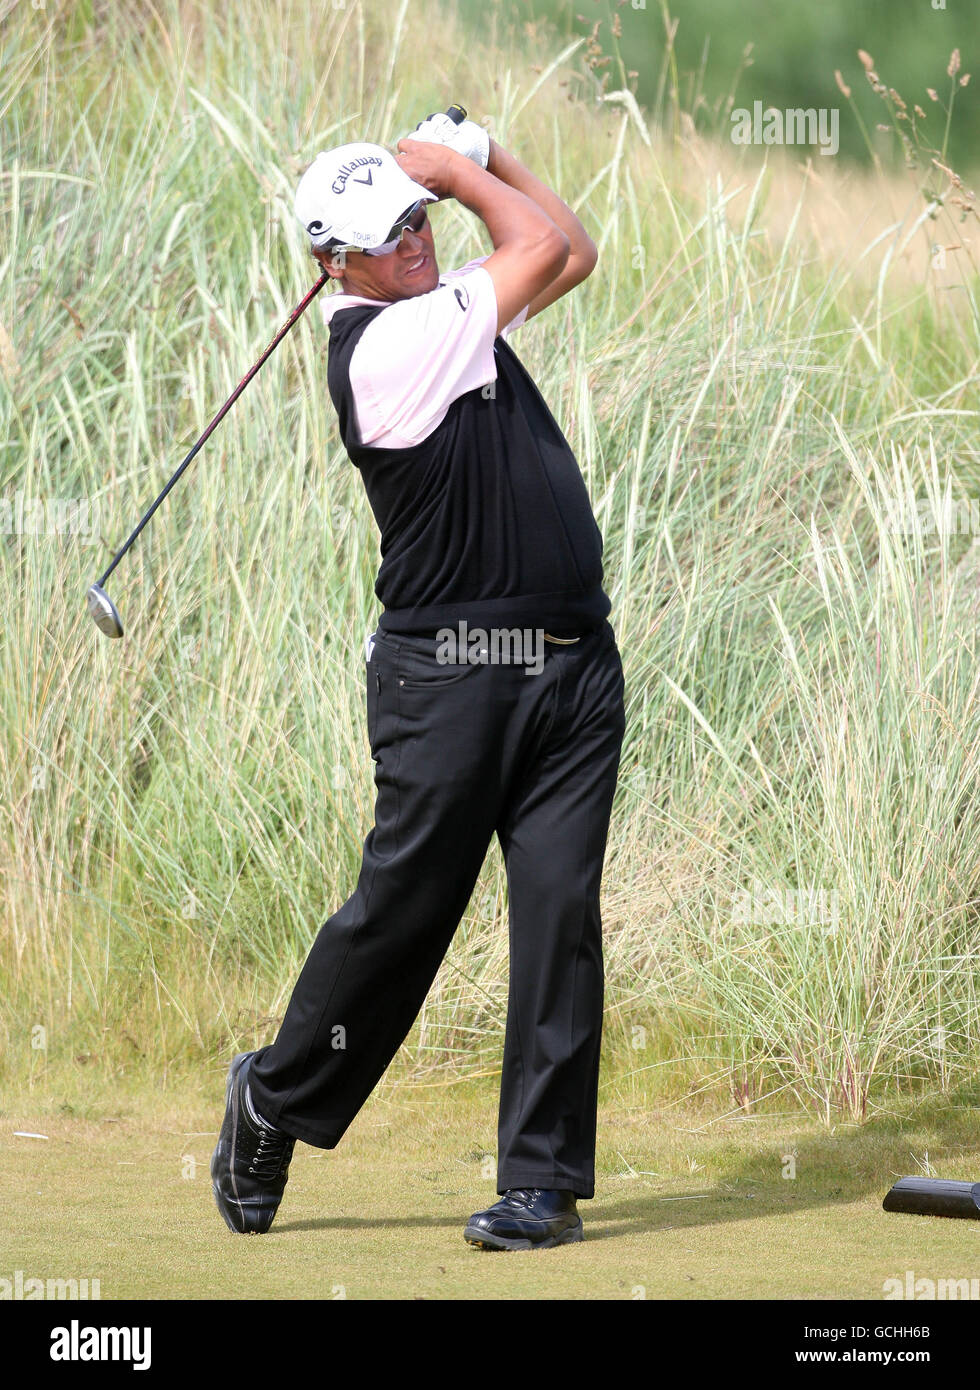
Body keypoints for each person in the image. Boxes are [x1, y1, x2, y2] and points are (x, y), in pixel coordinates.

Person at [210, 111, 627, 1250]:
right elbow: (537, 250)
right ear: (332, 264)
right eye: (386, 231)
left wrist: (490, 164)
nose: (414, 239)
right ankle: (275, 1095)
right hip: (451, 678)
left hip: (572, 664)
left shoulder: (444, 312)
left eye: (417, 218)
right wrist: (454, 168)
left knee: (558, 919)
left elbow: (570, 246)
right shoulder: (384, 347)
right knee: (404, 918)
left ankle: (539, 1183)